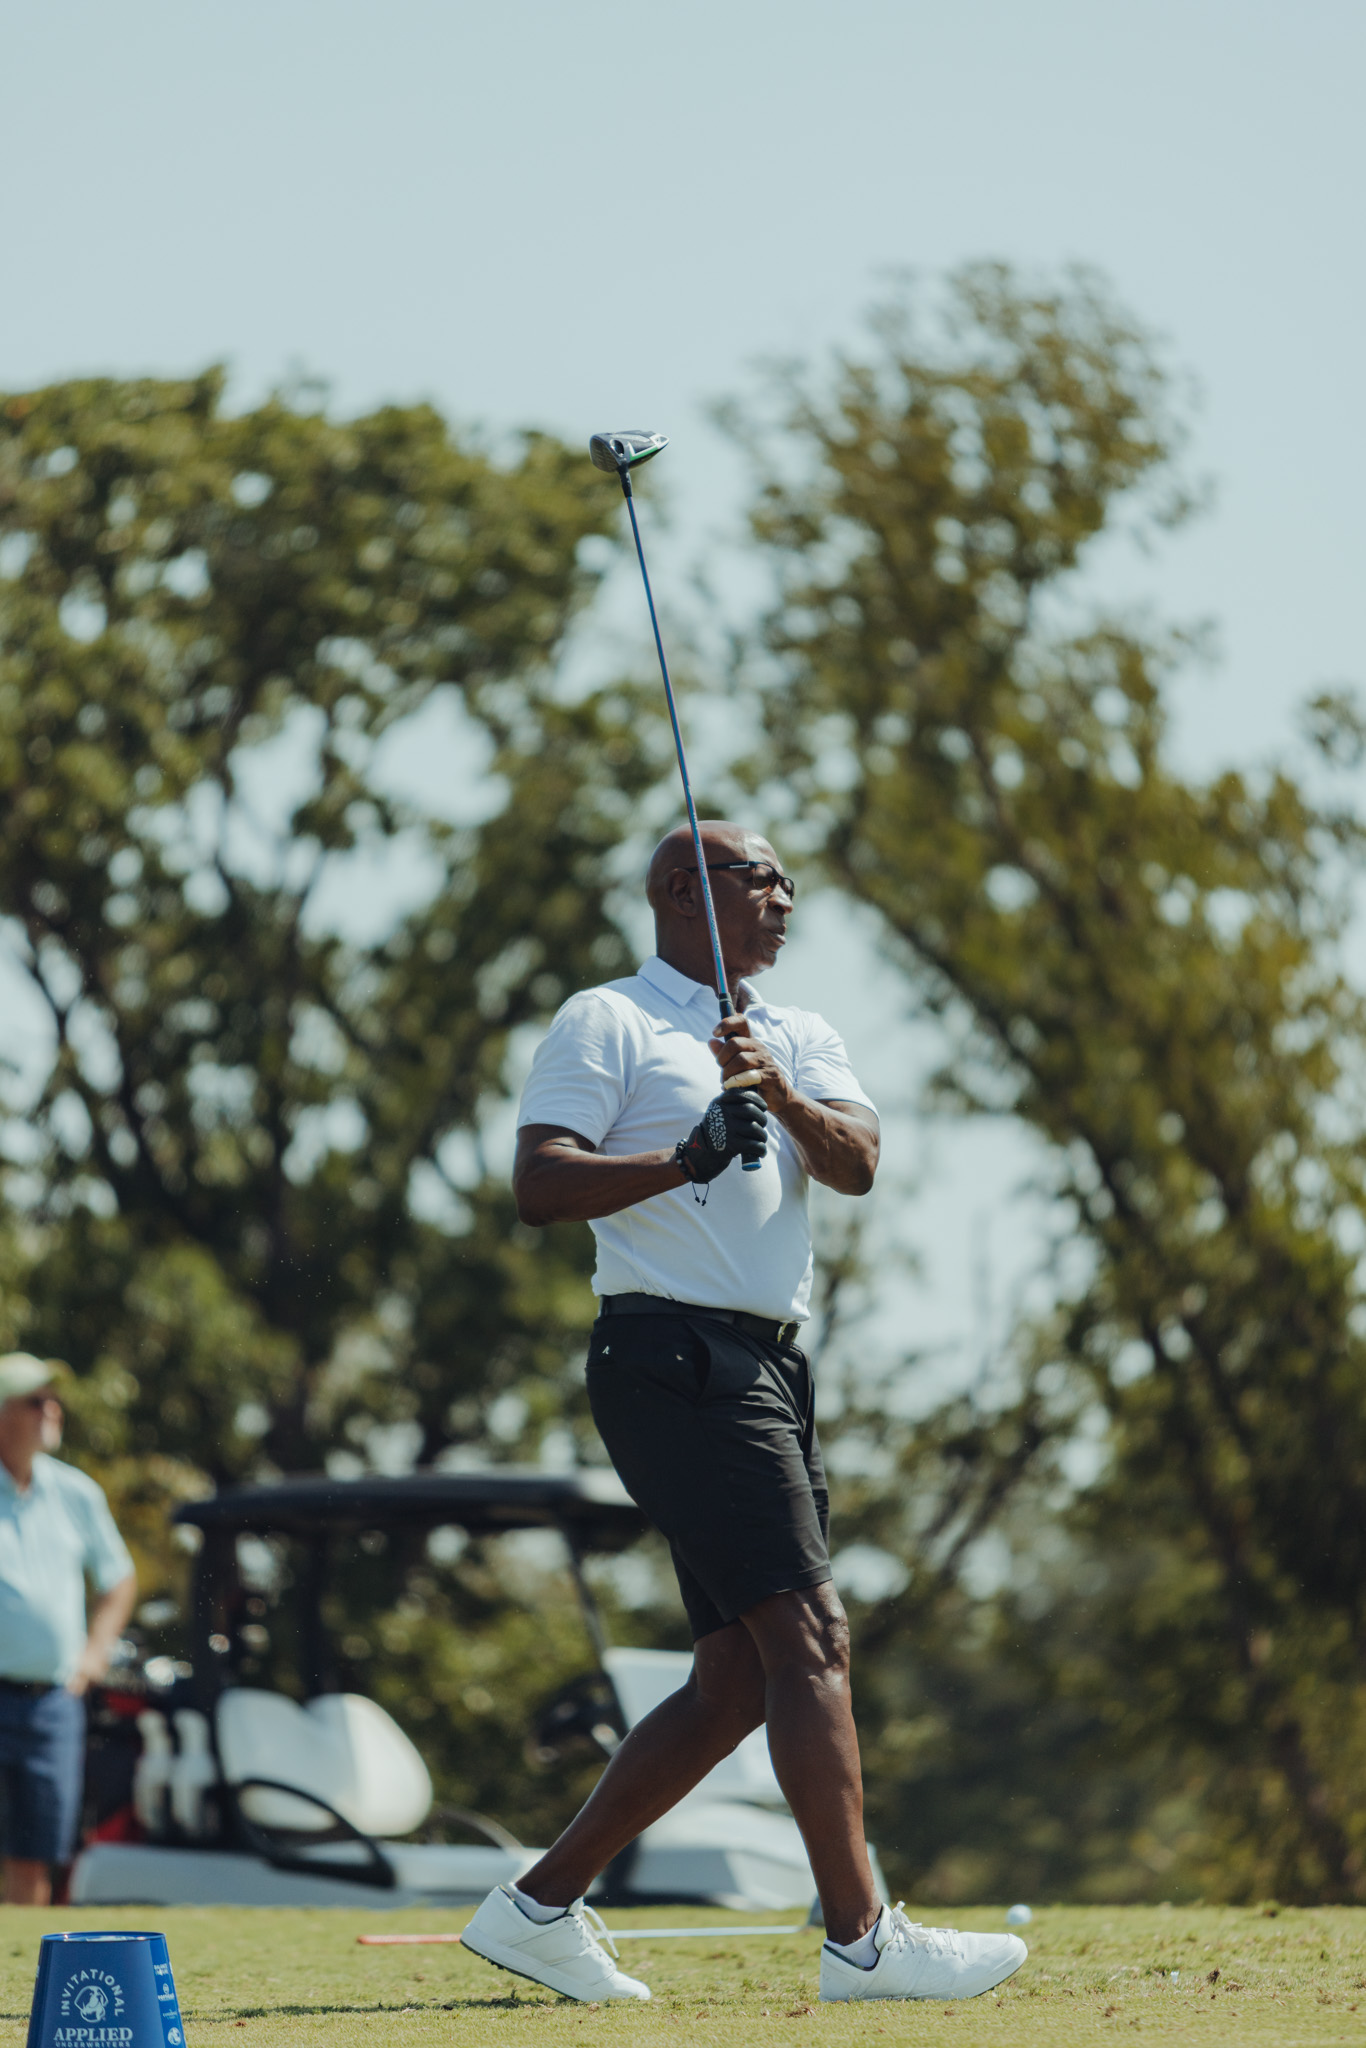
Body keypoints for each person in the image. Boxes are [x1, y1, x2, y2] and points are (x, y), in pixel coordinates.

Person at [461, 821, 1027, 2005]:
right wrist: (684, 1156)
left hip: (770, 1365)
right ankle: (861, 1939)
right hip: (668, 1352)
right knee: (812, 1636)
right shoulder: (607, 1017)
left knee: (732, 1680)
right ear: (682, 889)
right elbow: (539, 1182)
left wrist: (774, 1088)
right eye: (759, 877)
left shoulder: (795, 1029)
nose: (784, 896)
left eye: (784, 880)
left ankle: (535, 1905)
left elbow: (856, 1160)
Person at [0, 1352, 137, 1904]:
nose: (52, 1410)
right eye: (37, 1401)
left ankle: (15, 1959)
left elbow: (118, 1580)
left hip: (52, 1704)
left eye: (54, 1400)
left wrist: (93, 1655)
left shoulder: (76, 1493)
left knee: (35, 1850)